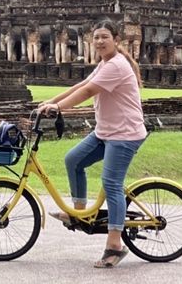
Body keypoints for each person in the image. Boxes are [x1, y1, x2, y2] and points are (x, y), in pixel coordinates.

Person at [37, 19, 147, 269]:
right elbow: (81, 85)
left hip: (125, 134)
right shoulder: (104, 63)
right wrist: (49, 101)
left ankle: (115, 245)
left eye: (104, 37)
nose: (99, 41)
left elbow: (88, 93)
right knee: (73, 160)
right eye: (96, 37)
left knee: (111, 184)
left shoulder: (117, 65)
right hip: (106, 131)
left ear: (116, 40)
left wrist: (57, 108)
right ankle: (79, 214)